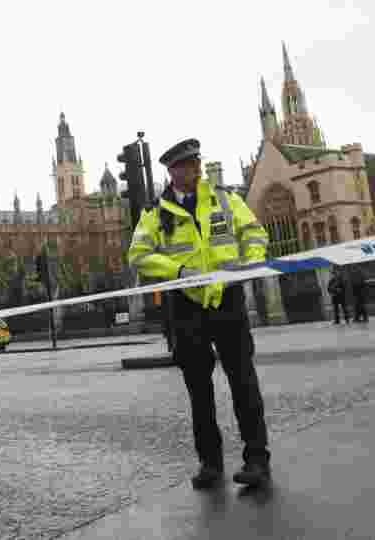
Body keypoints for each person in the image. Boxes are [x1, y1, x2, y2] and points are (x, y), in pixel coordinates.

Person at [128, 138, 272, 490]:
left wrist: (252, 261)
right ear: (170, 172)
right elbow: (139, 254)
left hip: (227, 299)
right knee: (198, 389)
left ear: (197, 166)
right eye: (179, 167)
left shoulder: (225, 199)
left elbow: (254, 232)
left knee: (244, 382)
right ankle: (210, 463)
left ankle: (257, 460)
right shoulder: (154, 212)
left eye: (192, 165)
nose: (187, 171)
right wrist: (177, 272)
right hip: (186, 305)